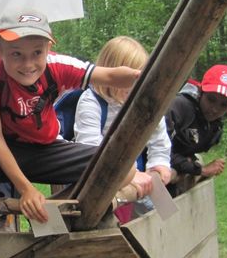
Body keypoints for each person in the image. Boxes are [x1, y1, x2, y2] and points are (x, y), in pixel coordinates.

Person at [0, 9, 142, 227]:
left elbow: (110, 75)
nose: (28, 64)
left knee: (125, 167)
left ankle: (58, 207)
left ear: (48, 49)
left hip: (46, 148)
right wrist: (27, 189)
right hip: (1, 147)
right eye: (16, 54)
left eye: (37, 53)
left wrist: (140, 75)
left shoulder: (58, 65)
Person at [74, 36, 172, 221]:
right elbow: (90, 149)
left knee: (152, 219)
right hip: (100, 182)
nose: (135, 85)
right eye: (130, 79)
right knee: (113, 224)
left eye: (140, 78)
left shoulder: (141, 101)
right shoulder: (91, 102)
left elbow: (158, 136)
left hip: (135, 176)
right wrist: (128, 176)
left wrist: (159, 163)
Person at [166, 64, 227, 193]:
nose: (215, 109)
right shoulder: (179, 107)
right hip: (149, 169)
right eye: (211, 99)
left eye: (224, 105)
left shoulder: (213, 126)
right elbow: (157, 150)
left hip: (176, 170)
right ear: (201, 92)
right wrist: (200, 170)